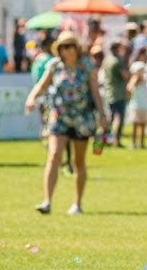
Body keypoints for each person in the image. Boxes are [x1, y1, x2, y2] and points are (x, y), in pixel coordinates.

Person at [24, 30, 107, 214]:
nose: (66, 50)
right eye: (63, 46)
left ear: (76, 48)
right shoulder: (54, 65)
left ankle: (77, 204)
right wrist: (31, 98)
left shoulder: (86, 65)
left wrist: (102, 114)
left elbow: (95, 91)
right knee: (54, 155)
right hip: (59, 116)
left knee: (78, 162)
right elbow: (42, 84)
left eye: (69, 46)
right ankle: (47, 201)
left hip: (82, 118)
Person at [102, 40, 129, 146]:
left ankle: (106, 139)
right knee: (119, 117)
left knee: (111, 117)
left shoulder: (107, 60)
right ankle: (115, 140)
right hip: (118, 92)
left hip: (108, 90)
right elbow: (125, 75)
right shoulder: (117, 61)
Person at [126, 60, 147, 149]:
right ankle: (134, 142)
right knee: (135, 124)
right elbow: (129, 88)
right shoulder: (134, 79)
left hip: (143, 104)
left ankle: (141, 143)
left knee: (143, 124)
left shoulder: (145, 78)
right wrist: (136, 80)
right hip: (136, 104)